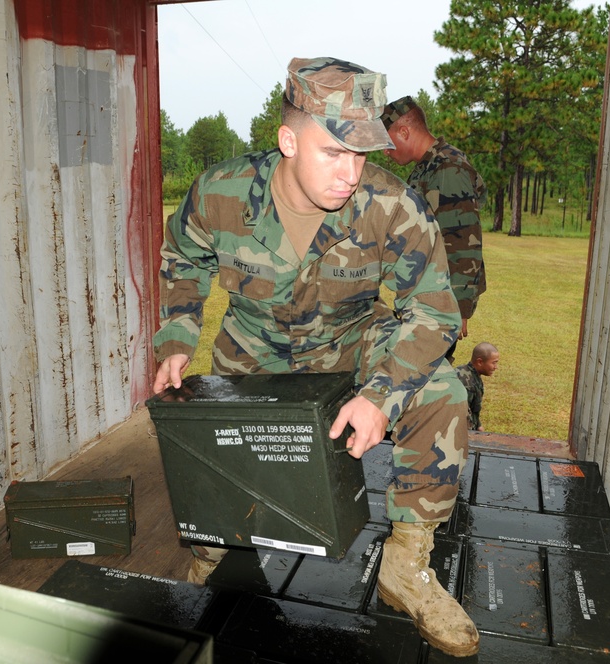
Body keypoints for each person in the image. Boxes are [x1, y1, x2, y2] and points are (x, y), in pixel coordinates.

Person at [151, 57, 478, 657]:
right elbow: (184, 258)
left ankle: (406, 564)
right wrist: (177, 336)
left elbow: (435, 313)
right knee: (203, 427)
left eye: (362, 154)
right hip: (253, 348)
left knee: (442, 392)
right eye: (334, 152)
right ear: (287, 140)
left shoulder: (391, 205)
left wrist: (380, 394)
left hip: (351, 339)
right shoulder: (221, 194)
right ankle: (217, 555)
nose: (351, 173)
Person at [380, 96, 487, 363]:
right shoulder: (427, 167)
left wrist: (458, 306)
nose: (385, 152)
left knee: (429, 370)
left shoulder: (447, 168)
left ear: (404, 131)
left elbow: (464, 239)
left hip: (441, 298)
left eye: (386, 143)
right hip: (426, 288)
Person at [456, 342, 500, 431]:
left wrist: (478, 426)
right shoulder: (468, 384)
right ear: (480, 362)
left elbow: (472, 409)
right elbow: (460, 417)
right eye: (493, 363)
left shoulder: (466, 371)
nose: (496, 367)